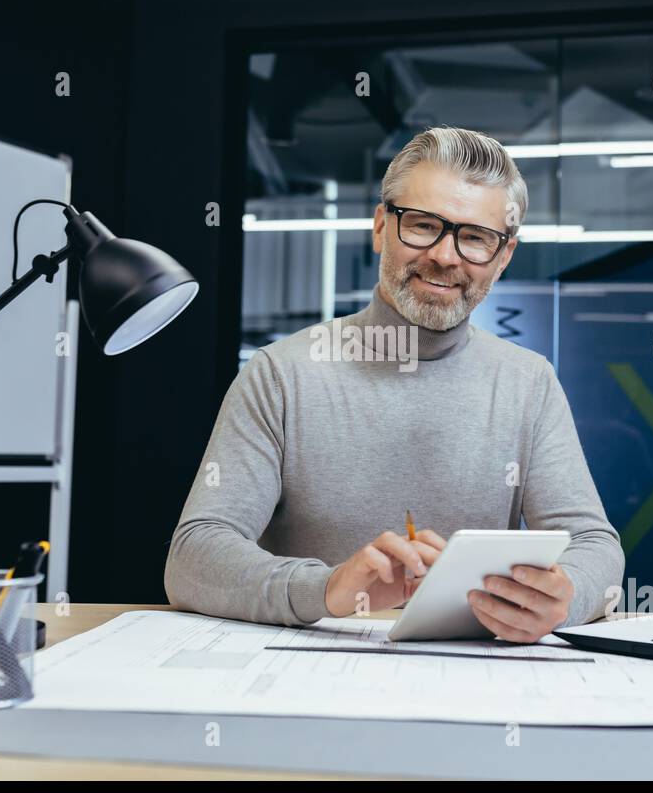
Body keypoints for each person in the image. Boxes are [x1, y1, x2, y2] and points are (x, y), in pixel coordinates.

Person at [165, 126, 623, 642]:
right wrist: (327, 588)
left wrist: (566, 599)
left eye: (474, 237)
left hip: (476, 680)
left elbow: (595, 547)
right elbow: (193, 555)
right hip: (312, 672)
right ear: (382, 227)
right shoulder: (281, 374)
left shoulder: (528, 382)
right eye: (424, 225)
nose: (446, 256)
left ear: (503, 257)